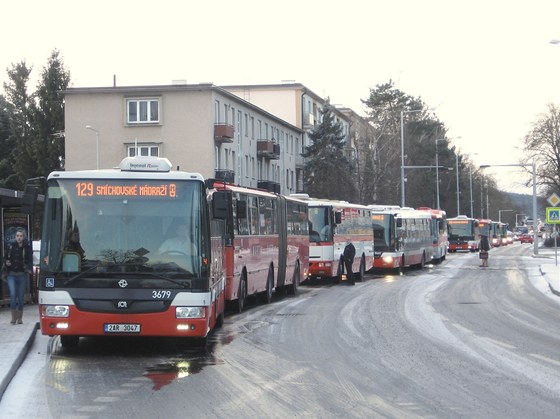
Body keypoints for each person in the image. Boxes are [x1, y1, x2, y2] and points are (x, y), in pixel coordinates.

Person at [3, 228, 33, 325]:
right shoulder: (11, 246)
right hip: (11, 274)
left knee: (20, 298)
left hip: (22, 275)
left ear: (23, 237)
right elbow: (5, 257)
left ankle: (19, 318)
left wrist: (28, 268)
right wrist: (6, 262)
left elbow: (30, 260)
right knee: (12, 295)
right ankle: (13, 318)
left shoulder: (27, 247)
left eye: (20, 236)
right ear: (15, 237)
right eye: (17, 236)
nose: (19, 238)